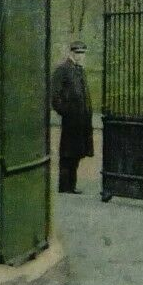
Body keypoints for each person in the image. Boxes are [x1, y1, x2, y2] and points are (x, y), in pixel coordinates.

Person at [50, 40, 93, 194]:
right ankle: (64, 186)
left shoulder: (79, 70)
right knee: (67, 154)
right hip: (70, 121)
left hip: (81, 121)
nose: (81, 56)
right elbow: (54, 95)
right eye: (78, 53)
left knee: (76, 154)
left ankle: (71, 186)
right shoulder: (63, 70)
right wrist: (65, 111)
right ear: (71, 53)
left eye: (82, 54)